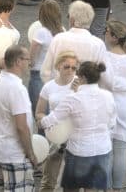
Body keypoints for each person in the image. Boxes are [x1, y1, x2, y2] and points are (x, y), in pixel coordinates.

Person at [40, 61, 117, 192]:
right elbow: (112, 123)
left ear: (83, 78)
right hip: (103, 149)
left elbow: (49, 121)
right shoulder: (108, 96)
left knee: (71, 189)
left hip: (79, 151)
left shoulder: (73, 98)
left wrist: (40, 120)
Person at [0, 45, 37, 192]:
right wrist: (31, 153)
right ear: (18, 61)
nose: (30, 63)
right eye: (28, 59)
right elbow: (21, 126)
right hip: (14, 153)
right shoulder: (16, 88)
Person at [35, 51, 79, 192]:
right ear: (58, 66)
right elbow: (39, 113)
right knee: (49, 179)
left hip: (75, 137)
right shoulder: (49, 86)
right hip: (55, 138)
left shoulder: (80, 83)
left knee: (72, 182)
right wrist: (45, 121)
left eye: (74, 67)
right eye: (67, 67)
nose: (70, 70)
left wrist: (78, 92)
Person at [40, 0, 109, 84]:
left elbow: (45, 71)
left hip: (60, 89)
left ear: (72, 20)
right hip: (86, 91)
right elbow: (105, 75)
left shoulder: (58, 39)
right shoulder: (98, 44)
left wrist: (53, 89)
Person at [104, 20, 126, 191]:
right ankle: (117, 188)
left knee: (108, 151)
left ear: (114, 37)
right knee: (121, 150)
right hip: (125, 102)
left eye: (107, 31)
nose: (104, 33)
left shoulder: (105, 57)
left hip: (107, 101)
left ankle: (107, 187)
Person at [28, 0, 63, 114]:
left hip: (39, 75)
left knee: (40, 115)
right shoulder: (62, 31)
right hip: (56, 76)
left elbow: (31, 59)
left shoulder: (41, 32)